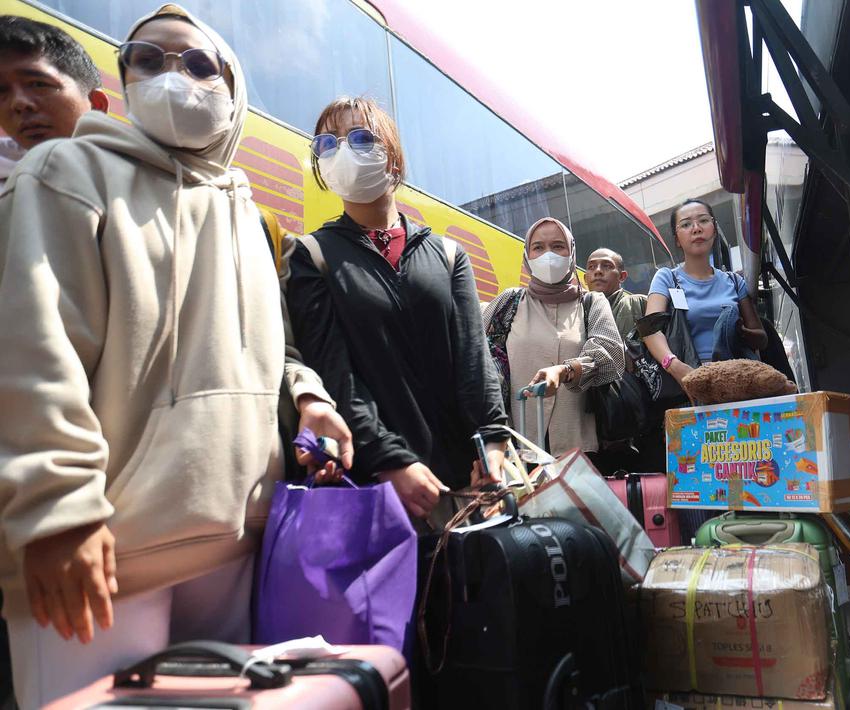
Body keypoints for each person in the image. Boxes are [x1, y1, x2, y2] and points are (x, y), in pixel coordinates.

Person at [0, 6, 350, 706]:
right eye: (146, 61)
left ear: (231, 84)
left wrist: (311, 396)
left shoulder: (250, 215)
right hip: (102, 558)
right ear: (121, 83)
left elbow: (267, 347)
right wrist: (58, 512)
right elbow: (36, 350)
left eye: (194, 64)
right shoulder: (63, 171)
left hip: (235, 547)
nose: (170, 77)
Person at [285, 95, 509, 525]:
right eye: (327, 145)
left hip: (465, 486)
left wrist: (493, 444)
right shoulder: (311, 255)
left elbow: (474, 363)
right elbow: (336, 374)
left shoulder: (447, 254)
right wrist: (391, 461)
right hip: (374, 487)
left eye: (360, 137)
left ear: (393, 157)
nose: (342, 151)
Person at [484, 218, 624, 456]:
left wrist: (565, 371)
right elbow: (473, 355)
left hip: (580, 447)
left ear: (571, 253)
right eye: (538, 247)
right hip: (517, 449)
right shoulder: (509, 302)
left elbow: (611, 354)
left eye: (558, 246)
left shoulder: (591, 302)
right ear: (527, 256)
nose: (548, 255)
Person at [641, 198, 768, 383]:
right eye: (685, 224)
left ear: (714, 229)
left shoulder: (734, 281)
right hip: (687, 381)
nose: (696, 228)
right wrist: (675, 366)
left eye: (703, 220)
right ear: (677, 239)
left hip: (736, 380)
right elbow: (649, 330)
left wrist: (737, 330)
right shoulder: (666, 278)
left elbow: (761, 339)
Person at [0, 15, 108, 182]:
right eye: (1, 92)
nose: (18, 103)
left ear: (96, 105)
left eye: (38, 84)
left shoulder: (144, 182)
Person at [585, 247, 647, 339]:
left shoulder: (639, 303)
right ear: (585, 278)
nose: (598, 271)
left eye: (607, 266)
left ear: (622, 276)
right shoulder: (577, 312)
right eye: (591, 267)